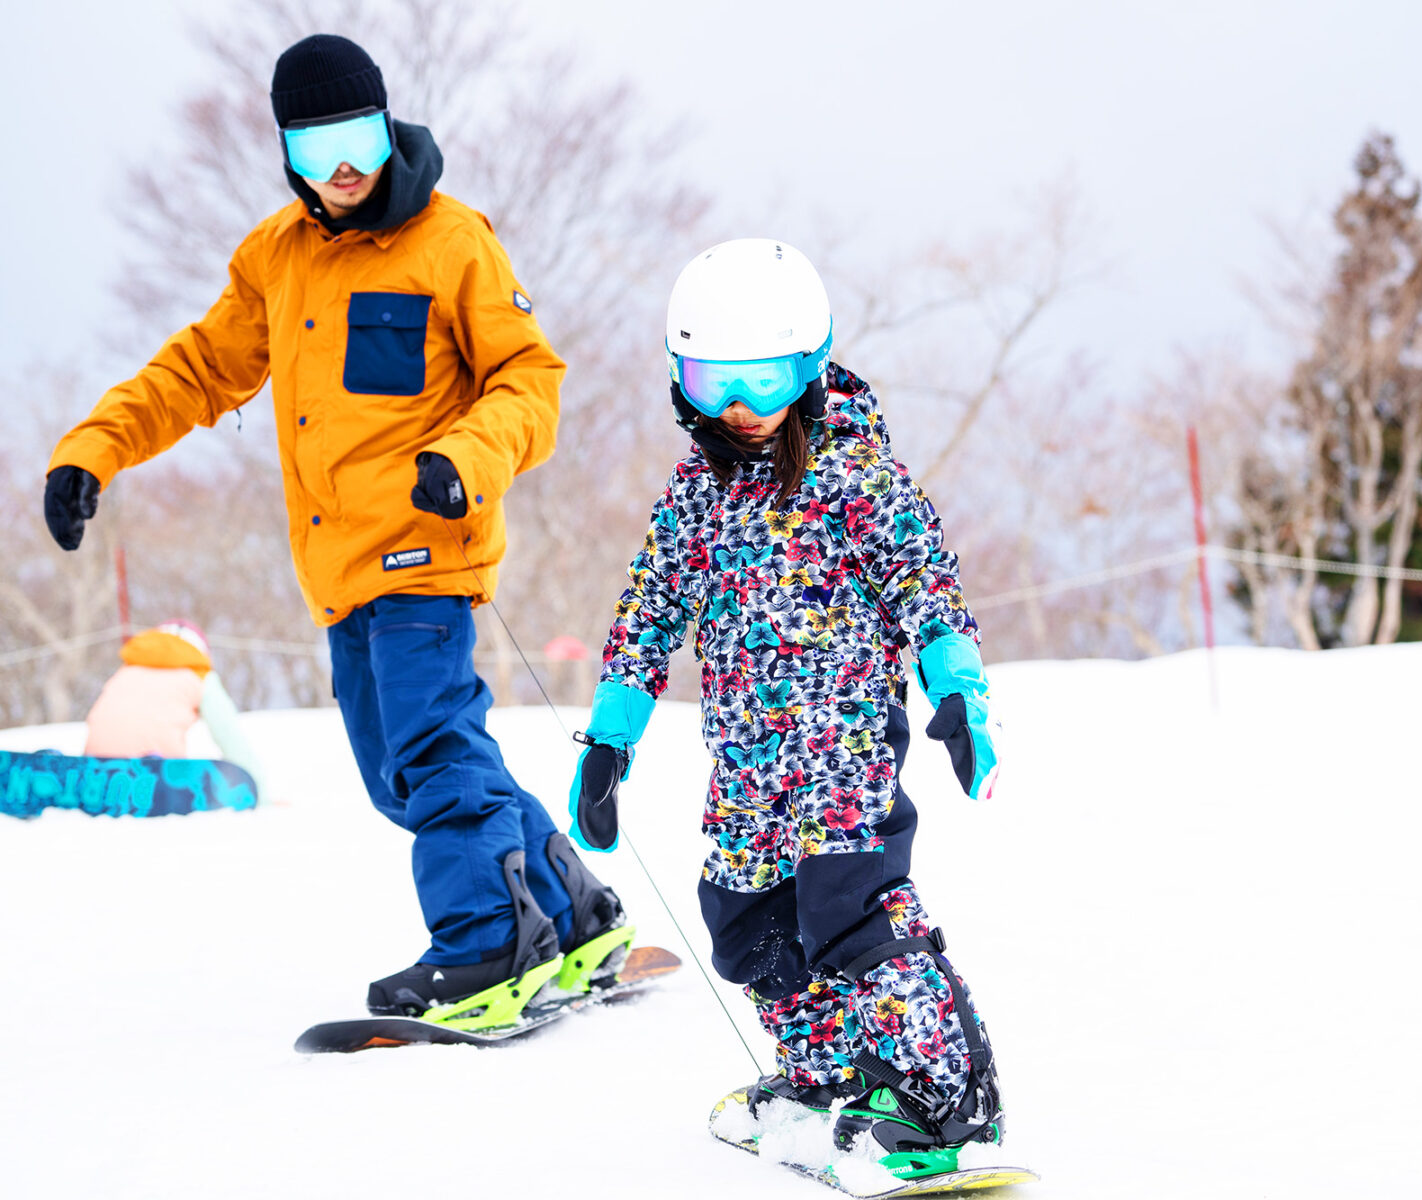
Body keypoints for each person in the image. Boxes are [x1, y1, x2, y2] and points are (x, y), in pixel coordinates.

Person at [42, 34, 626, 1027]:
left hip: (425, 555)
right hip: (340, 573)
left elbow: (533, 381)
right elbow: (195, 371)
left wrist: (469, 459)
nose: (342, 166)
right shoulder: (278, 258)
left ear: (387, 125)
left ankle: (487, 945)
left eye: (355, 138)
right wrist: (92, 449)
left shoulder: (452, 243)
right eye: (314, 150)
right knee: (410, 779)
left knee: (435, 753)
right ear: (287, 153)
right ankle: (573, 914)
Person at [568, 239, 1006, 1174]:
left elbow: (926, 583)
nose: (739, 408)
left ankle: (946, 1094)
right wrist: (611, 737)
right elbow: (649, 613)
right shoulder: (696, 495)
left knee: (853, 911)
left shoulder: (858, 476)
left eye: (763, 382)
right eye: (714, 380)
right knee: (743, 918)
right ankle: (828, 1066)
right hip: (745, 763)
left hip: (844, 748)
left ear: (808, 367)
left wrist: (959, 693)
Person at [84, 619, 266, 791]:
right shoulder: (201, 676)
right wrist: (259, 791)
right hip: (160, 769)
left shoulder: (126, 670)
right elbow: (229, 734)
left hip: (94, 762)